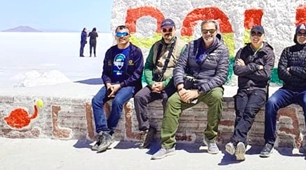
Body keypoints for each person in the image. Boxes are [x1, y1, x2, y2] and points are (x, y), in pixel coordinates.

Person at [152, 19, 230, 160]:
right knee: (172, 102)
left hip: (209, 88)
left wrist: (198, 92)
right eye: (205, 31)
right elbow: (179, 67)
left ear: (216, 31)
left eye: (211, 31)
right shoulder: (192, 46)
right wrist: (180, 87)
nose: (208, 34)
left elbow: (221, 76)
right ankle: (167, 145)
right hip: (189, 85)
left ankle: (210, 138)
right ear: (201, 32)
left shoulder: (222, 50)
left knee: (217, 97)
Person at [260, 23, 306, 160]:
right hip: (288, 89)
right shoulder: (287, 51)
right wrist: (303, 72)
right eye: (300, 33)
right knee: (271, 103)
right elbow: (281, 74)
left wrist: (292, 69)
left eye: (305, 34)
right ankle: (269, 141)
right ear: (296, 35)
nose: (302, 36)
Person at [91, 25, 144, 153]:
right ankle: (104, 133)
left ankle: (109, 132)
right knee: (96, 101)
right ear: (116, 36)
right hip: (111, 84)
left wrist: (120, 86)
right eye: (119, 35)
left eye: (125, 34)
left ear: (129, 35)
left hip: (128, 85)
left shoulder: (136, 52)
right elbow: (105, 72)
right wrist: (108, 84)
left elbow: (137, 75)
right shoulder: (110, 52)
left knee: (118, 101)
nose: (122, 37)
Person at [225, 24, 275, 161]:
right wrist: (254, 67)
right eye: (253, 34)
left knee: (248, 112)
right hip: (243, 89)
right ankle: (241, 144)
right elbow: (237, 71)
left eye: (259, 34)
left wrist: (246, 69)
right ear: (250, 35)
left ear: (263, 36)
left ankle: (234, 141)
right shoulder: (242, 51)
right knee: (240, 114)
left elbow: (265, 75)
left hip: (259, 90)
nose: (256, 37)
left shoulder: (268, 53)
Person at [133, 18, 183, 149]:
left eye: (170, 30)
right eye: (164, 30)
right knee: (139, 97)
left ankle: (168, 135)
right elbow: (148, 66)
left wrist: (165, 84)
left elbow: (181, 70)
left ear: (174, 30)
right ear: (161, 31)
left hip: (170, 84)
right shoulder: (156, 46)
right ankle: (146, 129)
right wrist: (151, 83)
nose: (167, 32)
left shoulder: (182, 47)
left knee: (168, 100)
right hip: (155, 82)